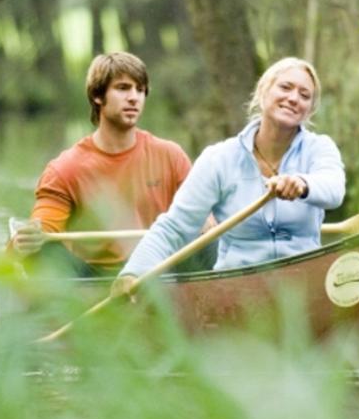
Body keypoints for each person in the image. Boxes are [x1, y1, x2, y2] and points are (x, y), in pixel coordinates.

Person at [113, 57, 344, 292]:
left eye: (304, 95)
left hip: (306, 286)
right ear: (263, 92)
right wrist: (133, 272)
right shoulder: (219, 158)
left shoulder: (320, 148)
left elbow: (333, 190)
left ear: (309, 110)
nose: (294, 98)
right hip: (236, 291)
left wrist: (302, 184)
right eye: (285, 87)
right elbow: (175, 227)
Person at [8, 51, 193, 275]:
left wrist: (209, 226)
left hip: (160, 271)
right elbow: (42, 229)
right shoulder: (65, 168)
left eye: (140, 90)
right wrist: (26, 241)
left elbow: (203, 220)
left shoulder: (171, 155)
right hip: (97, 279)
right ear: (98, 95)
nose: (134, 97)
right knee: (42, 252)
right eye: (123, 88)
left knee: (214, 242)